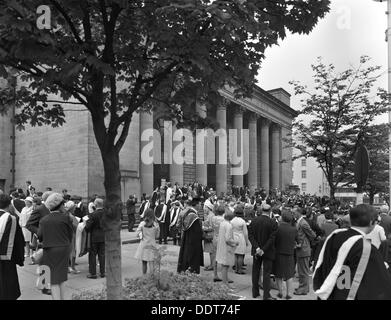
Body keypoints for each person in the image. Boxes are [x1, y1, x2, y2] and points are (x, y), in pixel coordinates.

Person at [313, 204, 391, 300]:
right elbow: (380, 286)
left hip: (330, 293)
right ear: (371, 222)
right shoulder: (367, 248)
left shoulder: (333, 237)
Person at [37, 193, 73, 300]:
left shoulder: (44, 220)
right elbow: (70, 234)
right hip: (64, 248)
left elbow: (40, 236)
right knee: (61, 276)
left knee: (53, 278)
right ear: (60, 205)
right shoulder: (66, 218)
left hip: (50, 249)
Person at [248, 203, 278, 300]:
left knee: (256, 271)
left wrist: (257, 248)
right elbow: (272, 238)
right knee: (266, 273)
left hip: (257, 250)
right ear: (269, 211)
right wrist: (263, 249)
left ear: (261, 211)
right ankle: (266, 295)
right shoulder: (273, 223)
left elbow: (250, 236)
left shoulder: (254, 221)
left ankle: (255, 292)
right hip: (267, 251)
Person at [0, 194, 25, 300]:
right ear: (9, 204)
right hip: (5, 262)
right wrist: (20, 259)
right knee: (7, 290)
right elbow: (18, 241)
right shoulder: (11, 219)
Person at [273, 209, 298, 300]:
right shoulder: (294, 229)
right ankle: (288, 294)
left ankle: (280, 292)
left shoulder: (278, 228)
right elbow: (298, 241)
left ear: (282, 218)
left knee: (278, 274)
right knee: (289, 275)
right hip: (290, 253)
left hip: (279, 252)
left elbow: (274, 241)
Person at [177, 198, 204, 274]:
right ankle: (192, 271)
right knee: (192, 256)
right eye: (200, 204)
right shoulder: (193, 215)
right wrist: (202, 233)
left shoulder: (187, 212)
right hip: (193, 240)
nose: (201, 206)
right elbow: (196, 231)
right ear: (196, 204)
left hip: (188, 238)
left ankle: (186, 269)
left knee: (186, 253)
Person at [294, 206, 316, 296]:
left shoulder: (303, 223)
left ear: (299, 212)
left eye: (294, 212)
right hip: (301, 249)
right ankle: (303, 287)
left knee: (303, 271)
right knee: (301, 270)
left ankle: (303, 288)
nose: (293, 214)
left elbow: (312, 234)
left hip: (303, 249)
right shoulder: (299, 222)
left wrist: (303, 242)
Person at [216, 209, 239, 288]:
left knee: (224, 266)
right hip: (226, 248)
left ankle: (224, 282)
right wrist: (235, 242)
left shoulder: (222, 223)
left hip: (221, 246)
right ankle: (225, 283)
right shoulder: (229, 225)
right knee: (225, 266)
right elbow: (228, 239)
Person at [134, 208, 160, 275]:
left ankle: (144, 277)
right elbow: (157, 236)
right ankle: (152, 278)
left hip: (143, 245)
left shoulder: (142, 223)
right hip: (152, 245)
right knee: (151, 262)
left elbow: (137, 234)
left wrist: (141, 235)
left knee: (144, 262)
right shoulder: (155, 224)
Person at [85, 198, 106, 279]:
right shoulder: (106, 214)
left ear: (96, 205)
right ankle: (102, 272)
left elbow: (88, 227)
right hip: (103, 236)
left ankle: (93, 273)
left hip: (94, 237)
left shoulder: (93, 214)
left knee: (92, 255)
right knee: (102, 255)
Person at [231, 204, 249, 275]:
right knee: (241, 255)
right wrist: (246, 241)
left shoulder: (232, 220)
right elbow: (245, 233)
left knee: (235, 254)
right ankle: (239, 269)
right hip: (241, 237)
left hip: (234, 237)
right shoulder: (242, 221)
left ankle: (235, 268)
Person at [210, 204, 226, 281]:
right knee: (223, 257)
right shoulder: (224, 219)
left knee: (215, 256)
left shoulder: (213, 218)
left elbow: (212, 227)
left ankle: (215, 274)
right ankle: (224, 275)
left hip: (215, 237)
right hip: (222, 238)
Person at [64, 201, 80, 274]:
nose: (75, 209)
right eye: (74, 208)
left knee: (68, 252)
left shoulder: (65, 215)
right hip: (72, 235)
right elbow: (76, 227)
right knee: (73, 251)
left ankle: (67, 267)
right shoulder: (71, 216)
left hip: (66, 235)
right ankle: (72, 268)